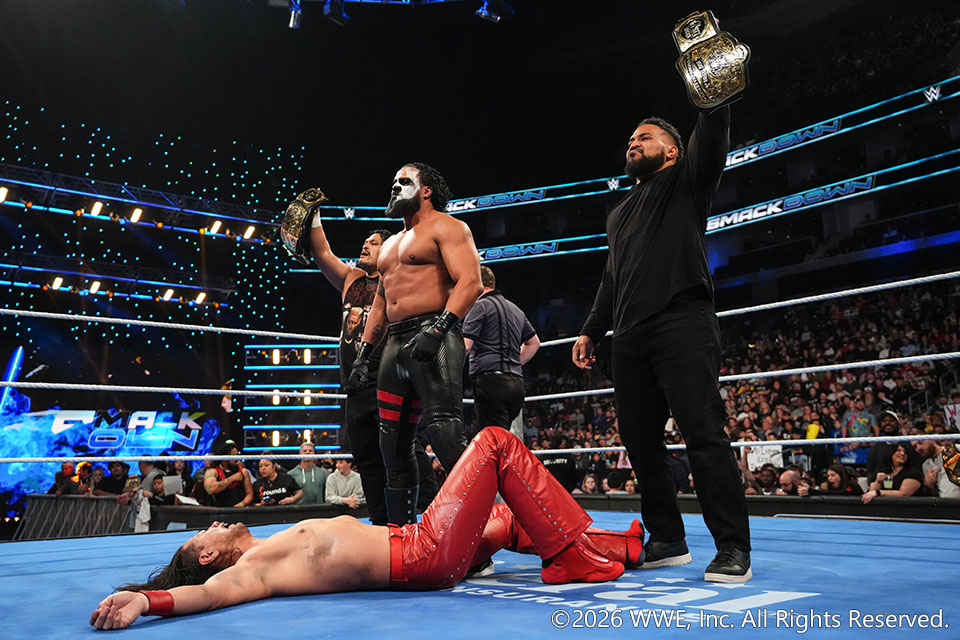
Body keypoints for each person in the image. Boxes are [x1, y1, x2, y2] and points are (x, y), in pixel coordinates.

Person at [90, 428, 642, 631]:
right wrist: (146, 601)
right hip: (423, 552)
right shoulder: (254, 570)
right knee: (495, 443)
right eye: (203, 535)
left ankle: (619, 548)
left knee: (509, 517)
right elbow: (206, 596)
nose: (214, 523)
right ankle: (571, 559)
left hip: (428, 546)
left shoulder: (270, 544)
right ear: (210, 557)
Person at [572, 102, 752, 582]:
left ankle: (733, 546)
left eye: (645, 137)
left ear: (672, 152)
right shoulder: (618, 213)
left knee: (703, 432)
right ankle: (668, 539)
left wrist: (712, 98)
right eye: (631, 138)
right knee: (640, 441)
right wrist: (591, 328)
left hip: (682, 318)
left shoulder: (686, 180)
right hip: (629, 334)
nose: (634, 142)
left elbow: (711, 134)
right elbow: (612, 277)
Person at [345, 162, 482, 524]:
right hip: (394, 344)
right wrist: (363, 356)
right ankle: (400, 535)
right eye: (393, 181)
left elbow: (471, 282)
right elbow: (380, 305)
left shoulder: (448, 227)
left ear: (426, 190)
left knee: (446, 434)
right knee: (392, 445)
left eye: (404, 181)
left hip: (435, 333)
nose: (395, 186)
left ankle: (480, 530)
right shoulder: (390, 244)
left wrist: (438, 329)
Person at [308, 215, 393, 525]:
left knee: (396, 454)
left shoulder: (397, 281)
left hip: (386, 380)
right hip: (354, 384)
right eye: (365, 242)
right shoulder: (351, 279)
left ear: (389, 250)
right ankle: (381, 524)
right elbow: (322, 253)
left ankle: (414, 519)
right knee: (366, 459)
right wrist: (313, 216)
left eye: (373, 243)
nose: (365, 246)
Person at [462, 265, 540, 434]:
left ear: (475, 283)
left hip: (491, 383)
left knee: (492, 439)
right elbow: (534, 343)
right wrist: (514, 363)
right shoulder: (515, 309)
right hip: (516, 384)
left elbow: (465, 346)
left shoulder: (479, 306)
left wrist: (446, 372)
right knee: (500, 436)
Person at [203, 442, 254, 508]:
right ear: (226, 455)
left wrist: (242, 504)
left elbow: (250, 494)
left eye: (238, 454)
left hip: (240, 509)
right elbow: (210, 489)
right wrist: (232, 478)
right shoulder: (212, 471)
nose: (237, 458)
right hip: (220, 510)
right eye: (234, 455)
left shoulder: (243, 471)